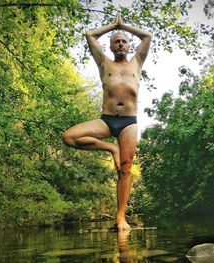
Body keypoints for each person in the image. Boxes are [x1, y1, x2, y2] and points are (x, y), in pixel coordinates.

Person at [62, 13, 152, 231]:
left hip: (129, 122)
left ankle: (121, 218)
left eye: (123, 41)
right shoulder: (104, 63)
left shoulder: (137, 62)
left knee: (125, 169)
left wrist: (125, 27)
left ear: (129, 46)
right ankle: (111, 147)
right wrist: (114, 25)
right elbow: (89, 35)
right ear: (111, 47)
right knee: (68, 137)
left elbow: (147, 36)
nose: (120, 43)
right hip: (106, 120)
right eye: (116, 41)